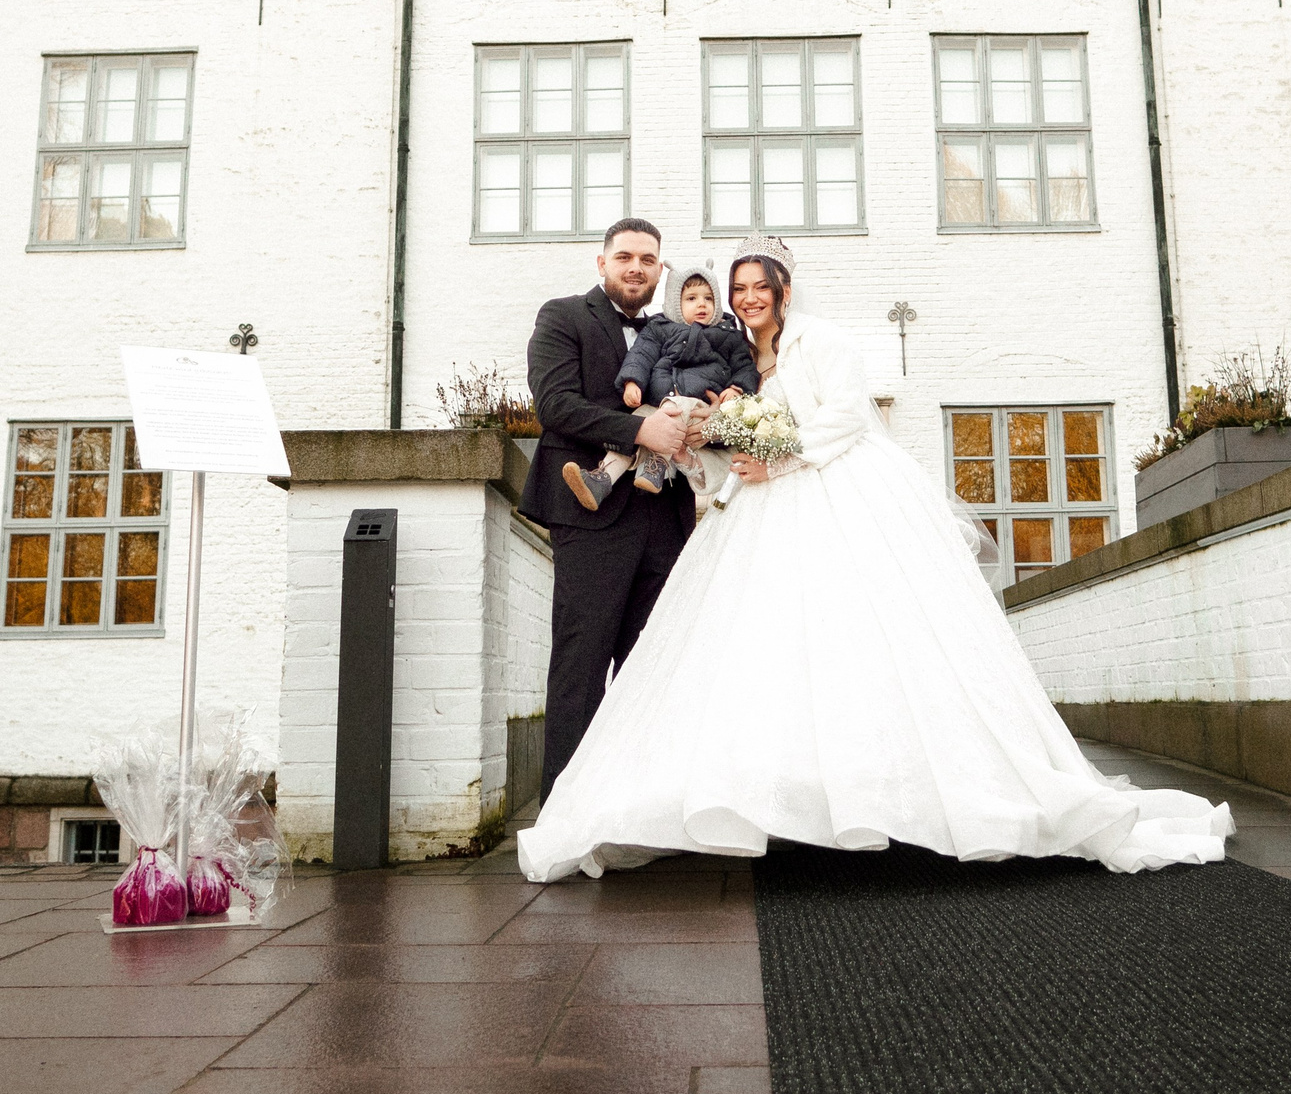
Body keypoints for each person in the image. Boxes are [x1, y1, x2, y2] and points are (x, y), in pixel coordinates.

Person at [518, 232, 1233, 881]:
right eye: (739, 289)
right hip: (746, 507)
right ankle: (758, 799)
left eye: (760, 286)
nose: (749, 298)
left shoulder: (821, 339)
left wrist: (776, 455)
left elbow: (846, 416)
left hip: (840, 495)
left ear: (785, 290)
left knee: (860, 639)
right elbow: (711, 440)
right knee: (758, 650)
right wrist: (716, 442)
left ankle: (883, 794)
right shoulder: (737, 362)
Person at [519, 218, 700, 800]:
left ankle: (640, 808)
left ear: (660, 269)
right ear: (603, 263)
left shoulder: (678, 330)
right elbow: (555, 406)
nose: (636, 268)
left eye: (648, 259)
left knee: (653, 669)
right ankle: (566, 814)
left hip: (665, 517)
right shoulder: (563, 316)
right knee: (581, 664)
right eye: (625, 257)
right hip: (589, 516)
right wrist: (640, 430)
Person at [564, 265, 758, 509]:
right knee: (638, 422)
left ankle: (656, 466)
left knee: (673, 412)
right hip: (662, 404)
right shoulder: (660, 328)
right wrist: (632, 381)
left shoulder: (727, 334)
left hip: (699, 404)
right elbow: (641, 355)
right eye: (691, 298)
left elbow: (745, 367)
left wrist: (737, 388)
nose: (702, 304)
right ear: (675, 303)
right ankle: (603, 478)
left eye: (708, 298)